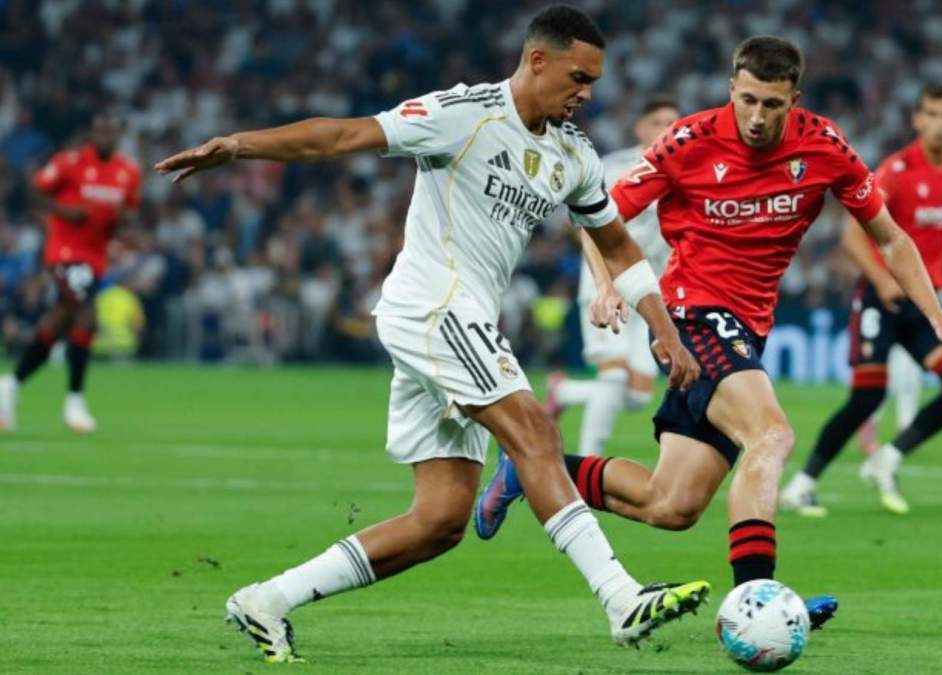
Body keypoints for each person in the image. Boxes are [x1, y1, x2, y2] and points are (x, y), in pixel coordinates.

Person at [155, 6, 707, 664]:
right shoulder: (463, 114)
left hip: (463, 319)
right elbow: (343, 136)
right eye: (578, 77)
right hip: (434, 306)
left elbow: (617, 245)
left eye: (593, 82)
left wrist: (663, 329)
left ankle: (266, 599)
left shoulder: (574, 154)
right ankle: (621, 598)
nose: (586, 93)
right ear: (537, 60)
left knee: (440, 520)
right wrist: (239, 145)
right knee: (533, 431)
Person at [476, 37, 942, 614]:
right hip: (691, 315)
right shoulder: (688, 140)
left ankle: (532, 469)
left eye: (772, 104)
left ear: (795, 100)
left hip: (748, 328)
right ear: (731, 89)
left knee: (671, 504)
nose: (757, 117)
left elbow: (889, 237)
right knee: (772, 434)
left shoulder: (825, 145)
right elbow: (599, 216)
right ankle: (756, 604)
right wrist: (607, 284)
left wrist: (938, 318)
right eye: (748, 100)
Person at [780, 84, 942, 517]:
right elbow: (852, 236)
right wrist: (881, 279)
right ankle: (802, 485)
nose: (941, 123)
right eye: (933, 114)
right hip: (881, 300)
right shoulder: (897, 170)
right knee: (867, 398)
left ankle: (887, 458)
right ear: (918, 119)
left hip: (921, 306)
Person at [543, 96, 680, 457]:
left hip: (649, 291)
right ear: (640, 129)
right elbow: (583, 225)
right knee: (614, 376)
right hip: (607, 284)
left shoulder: (685, 171)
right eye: (658, 122)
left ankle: (565, 391)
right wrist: (606, 282)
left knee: (637, 396)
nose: (666, 129)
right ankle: (587, 464)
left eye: (672, 123)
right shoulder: (616, 167)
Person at [0, 114, 141, 433]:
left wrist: (123, 221)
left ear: (118, 136)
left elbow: (129, 213)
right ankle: (74, 401)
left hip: (96, 258)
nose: (104, 136)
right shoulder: (70, 163)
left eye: (110, 131)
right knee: (86, 313)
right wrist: (64, 211)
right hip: (64, 252)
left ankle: (11, 384)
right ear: (92, 133)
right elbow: (35, 190)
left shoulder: (127, 172)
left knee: (61, 320)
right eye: (100, 130)